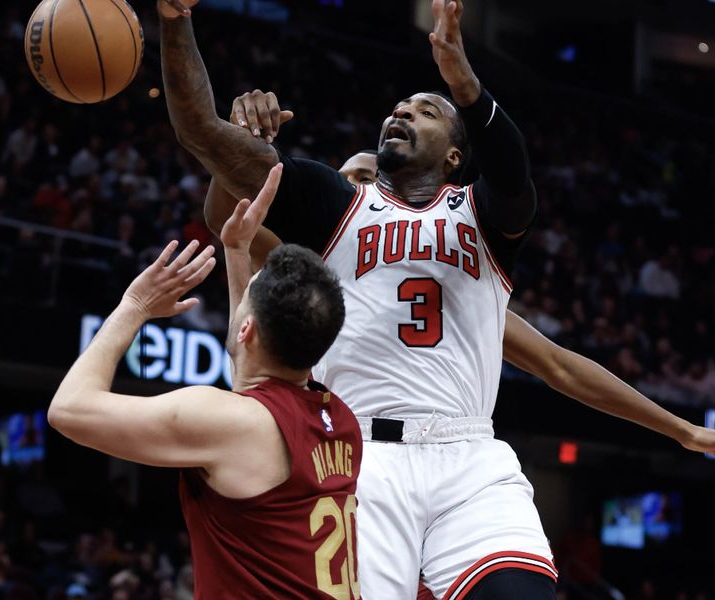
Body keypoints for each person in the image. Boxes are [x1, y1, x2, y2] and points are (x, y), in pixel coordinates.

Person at [157, 0, 578, 597]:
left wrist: (462, 82)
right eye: (397, 108)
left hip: (469, 455)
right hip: (359, 461)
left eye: (425, 111)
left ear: (456, 156)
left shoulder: (481, 217)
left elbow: (512, 170)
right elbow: (201, 134)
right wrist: (176, 22)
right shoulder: (336, 203)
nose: (402, 112)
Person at [206, 97, 715, 458]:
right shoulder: (312, 257)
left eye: (370, 179)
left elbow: (558, 365)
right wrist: (234, 144)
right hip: (323, 443)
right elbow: (223, 218)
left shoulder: (445, 292)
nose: (367, 194)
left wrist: (682, 430)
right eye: (354, 181)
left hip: (417, 453)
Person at [48, 165, 363, 599]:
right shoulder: (340, 419)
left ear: (247, 329)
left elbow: (69, 409)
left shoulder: (230, 424)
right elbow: (252, 382)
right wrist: (237, 250)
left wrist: (135, 305)